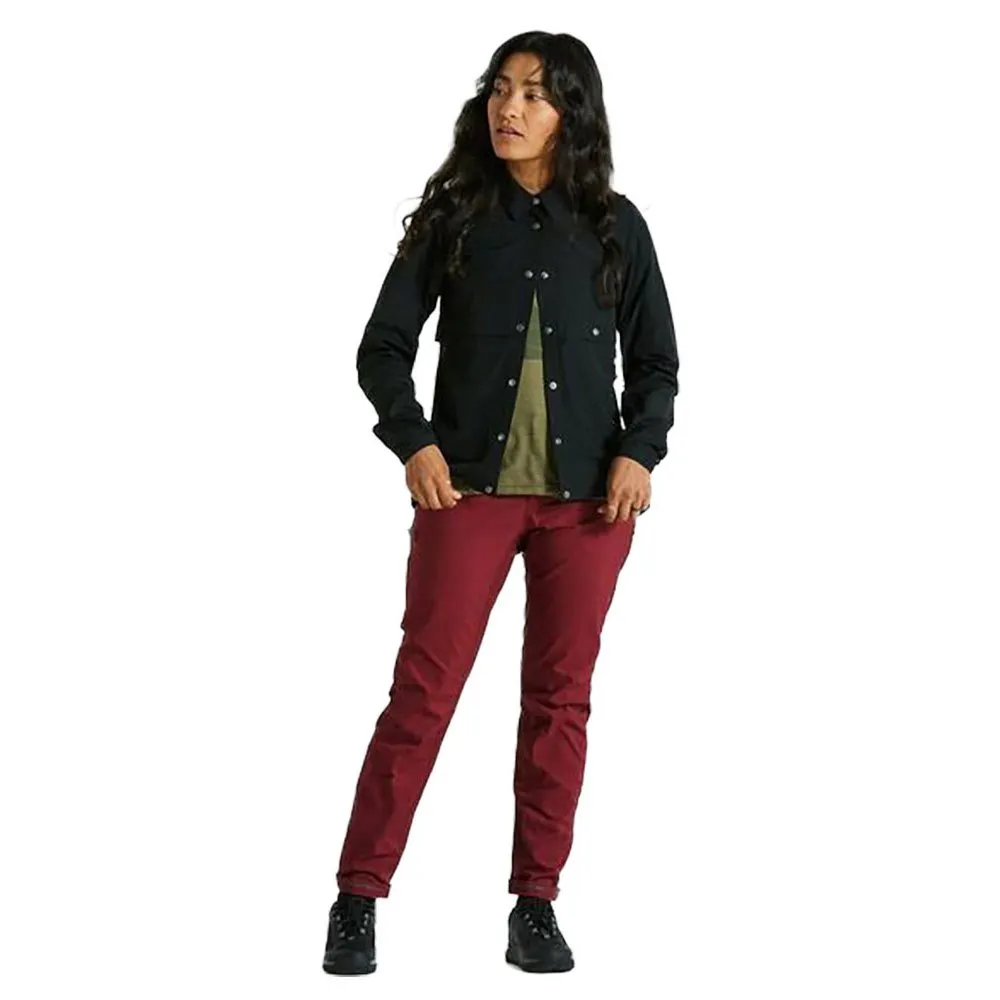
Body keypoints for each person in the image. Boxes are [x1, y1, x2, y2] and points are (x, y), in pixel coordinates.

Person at [323, 29, 679, 975]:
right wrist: (415, 442)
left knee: (560, 704)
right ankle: (358, 896)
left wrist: (640, 452)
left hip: (588, 508)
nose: (509, 108)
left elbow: (655, 362)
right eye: (501, 88)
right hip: (466, 495)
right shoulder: (455, 218)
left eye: (534, 93)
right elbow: (382, 348)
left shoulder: (615, 225)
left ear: (572, 113)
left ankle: (537, 904)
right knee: (423, 692)